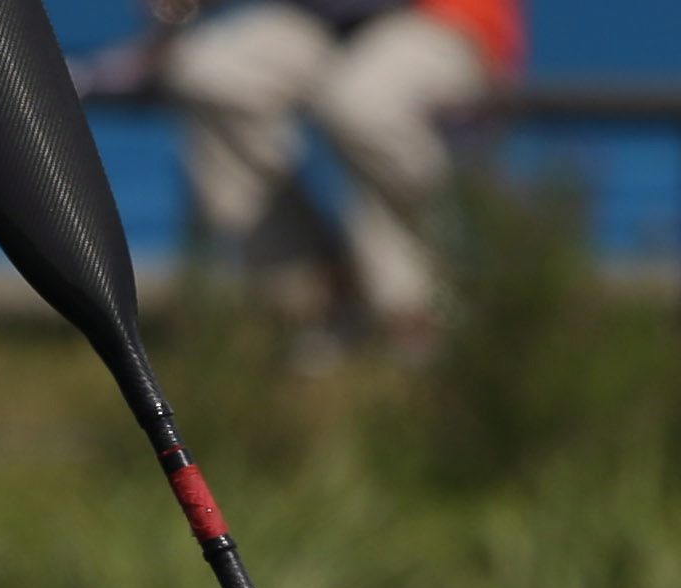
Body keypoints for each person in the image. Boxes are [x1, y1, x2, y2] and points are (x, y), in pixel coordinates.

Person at [151, 0, 525, 342]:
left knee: (363, 103)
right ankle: (314, 289)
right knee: (209, 73)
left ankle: (432, 294)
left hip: (439, 18)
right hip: (319, 19)